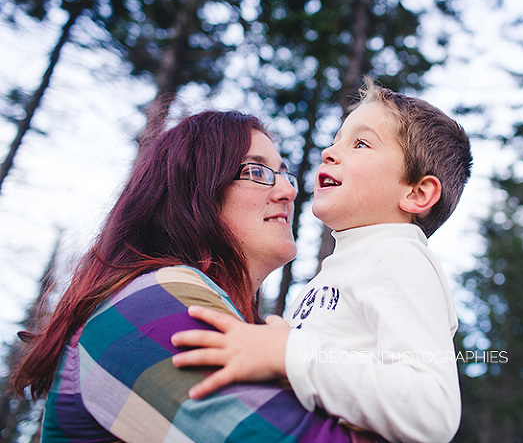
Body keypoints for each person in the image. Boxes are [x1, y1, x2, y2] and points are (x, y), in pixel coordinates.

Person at [11, 110, 377, 442]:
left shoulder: (246, 329)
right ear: (194, 191)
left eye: (283, 174)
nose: (288, 190)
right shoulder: (150, 304)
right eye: (257, 172)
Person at [171, 77, 473, 443]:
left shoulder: (399, 257)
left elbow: (431, 406)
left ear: (417, 192)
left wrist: (287, 353)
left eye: (360, 143)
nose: (329, 153)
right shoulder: (346, 267)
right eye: (335, 140)